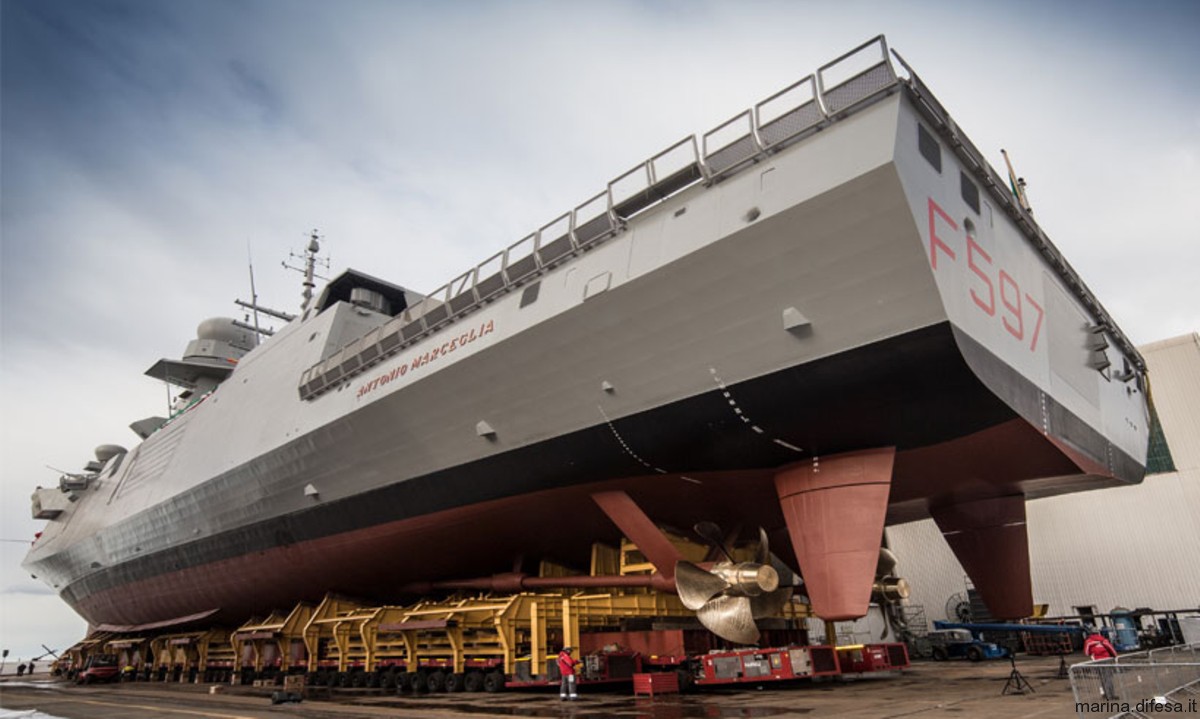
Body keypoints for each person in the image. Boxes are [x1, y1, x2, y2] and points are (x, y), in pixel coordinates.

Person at [1083, 627, 1119, 700]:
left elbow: (1086, 653)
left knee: (1102, 678)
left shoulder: (1089, 641)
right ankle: (1110, 695)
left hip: (1097, 661)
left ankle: (1106, 694)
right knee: (1108, 678)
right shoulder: (1104, 640)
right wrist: (1115, 656)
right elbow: (1111, 648)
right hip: (1106, 660)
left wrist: (1092, 652)